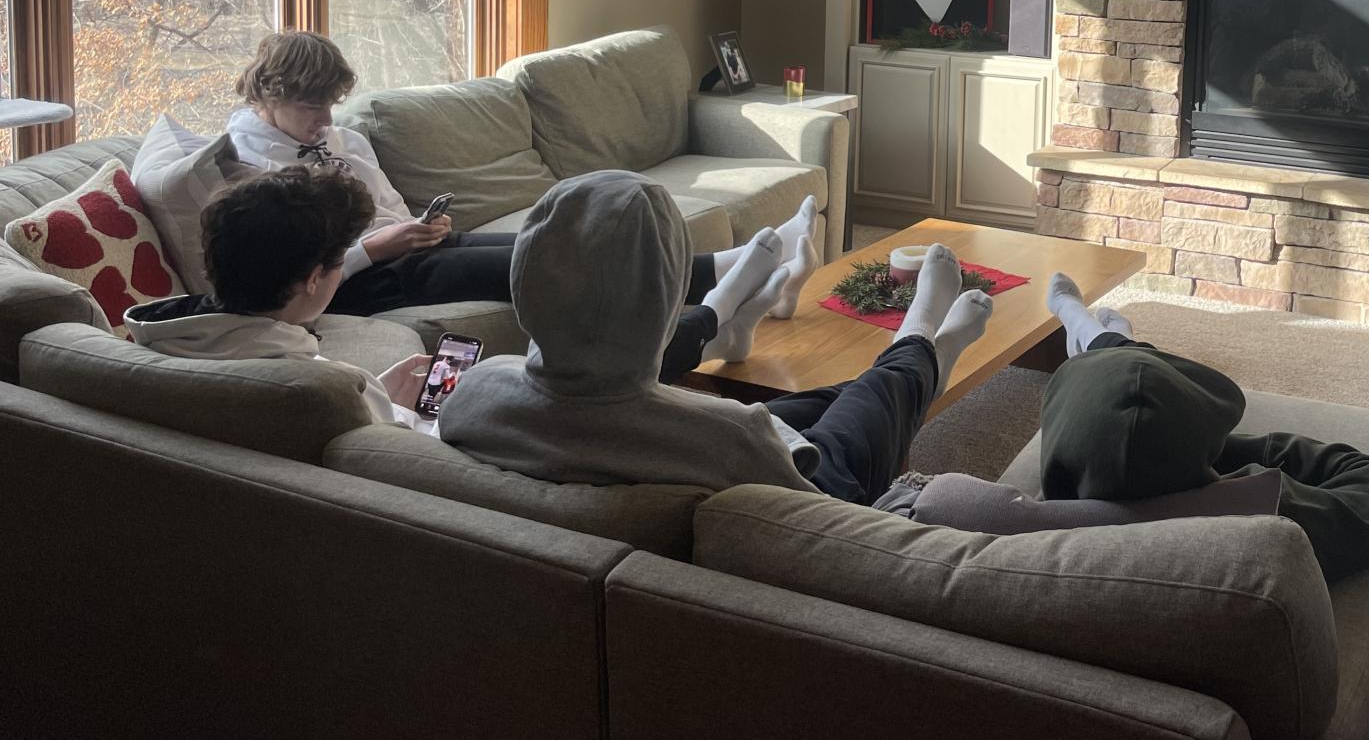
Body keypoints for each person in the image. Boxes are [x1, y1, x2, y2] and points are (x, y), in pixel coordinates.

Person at [223, 30, 813, 377]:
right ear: (269, 96)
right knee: (555, 267)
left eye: (331, 106)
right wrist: (383, 245)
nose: (326, 121)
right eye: (312, 110)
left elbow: (388, 203)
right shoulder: (251, 168)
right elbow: (300, 270)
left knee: (552, 243)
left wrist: (421, 227)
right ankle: (722, 297)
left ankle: (724, 275)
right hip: (360, 280)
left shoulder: (342, 138)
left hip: (408, 250)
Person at [440, 170, 994, 506]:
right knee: (858, 422)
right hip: (822, 480)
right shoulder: (733, 439)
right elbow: (829, 506)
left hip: (627, 431)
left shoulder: (475, 391)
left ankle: (898, 369)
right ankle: (921, 341)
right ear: (666, 307)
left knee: (831, 398)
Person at [1032, 274, 1369, 591]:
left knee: (1119, 392)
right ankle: (1109, 342)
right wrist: (1223, 453)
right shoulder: (1256, 516)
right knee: (1139, 385)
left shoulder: (1029, 529)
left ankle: (1095, 338)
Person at [126, 165, 433, 428]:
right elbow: (391, 453)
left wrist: (374, 390)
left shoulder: (151, 341)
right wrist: (398, 410)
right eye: (341, 260)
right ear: (313, 279)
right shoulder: (322, 390)